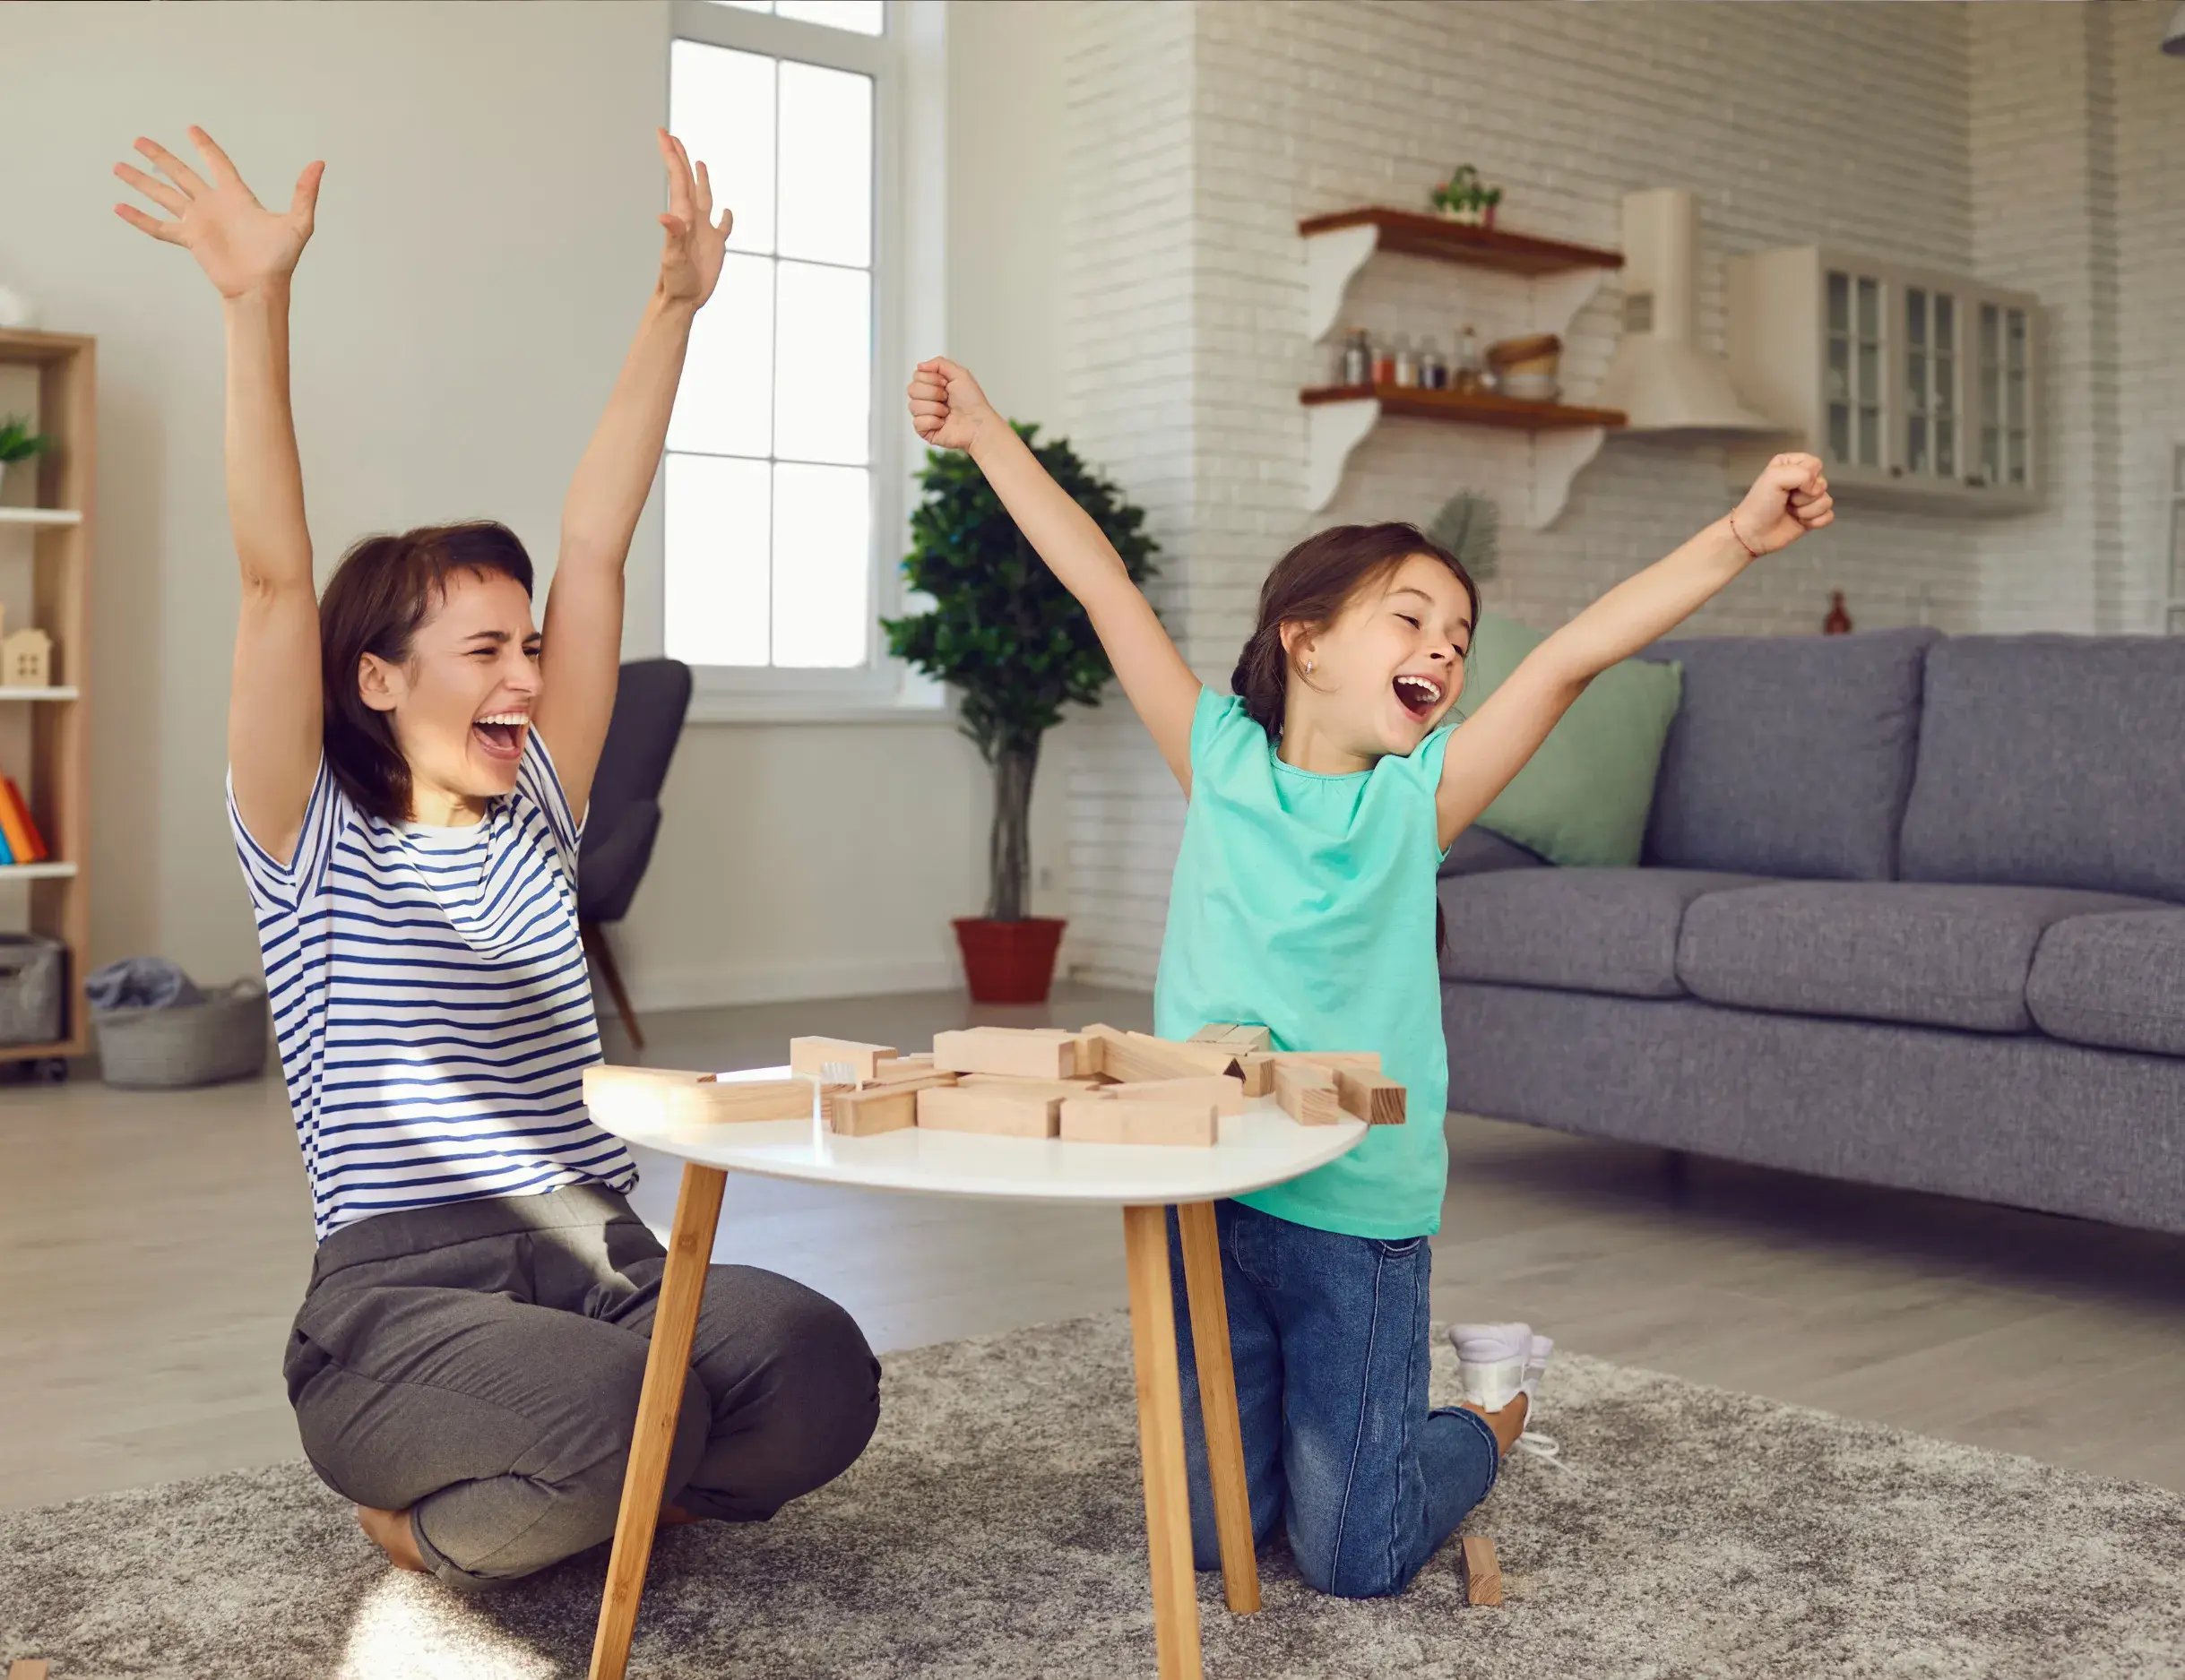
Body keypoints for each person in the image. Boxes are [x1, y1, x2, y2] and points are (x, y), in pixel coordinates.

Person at [905, 353, 1832, 1598]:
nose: (1442, 653)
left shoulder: (1421, 795)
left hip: (1356, 1221)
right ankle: (1331, 1446)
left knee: (1354, 1557)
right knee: (1201, 1535)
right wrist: (985, 434)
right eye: (1411, 619)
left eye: (1455, 639)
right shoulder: (1215, 754)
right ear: (1306, 639)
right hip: (1208, 1198)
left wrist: (1738, 536)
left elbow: (1564, 656)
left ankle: (1487, 1414)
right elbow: (1096, 579)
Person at [113, 125, 879, 1588]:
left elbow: (597, 544)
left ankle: (607, 1482)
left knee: (816, 1367)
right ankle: (435, 1513)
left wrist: (675, 307)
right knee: (602, 1419)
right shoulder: (311, 837)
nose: (527, 673)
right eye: (485, 649)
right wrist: (252, 303)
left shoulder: (540, 807)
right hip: (403, 1300)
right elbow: (276, 575)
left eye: (530, 647)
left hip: (597, 1256)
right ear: (380, 681)